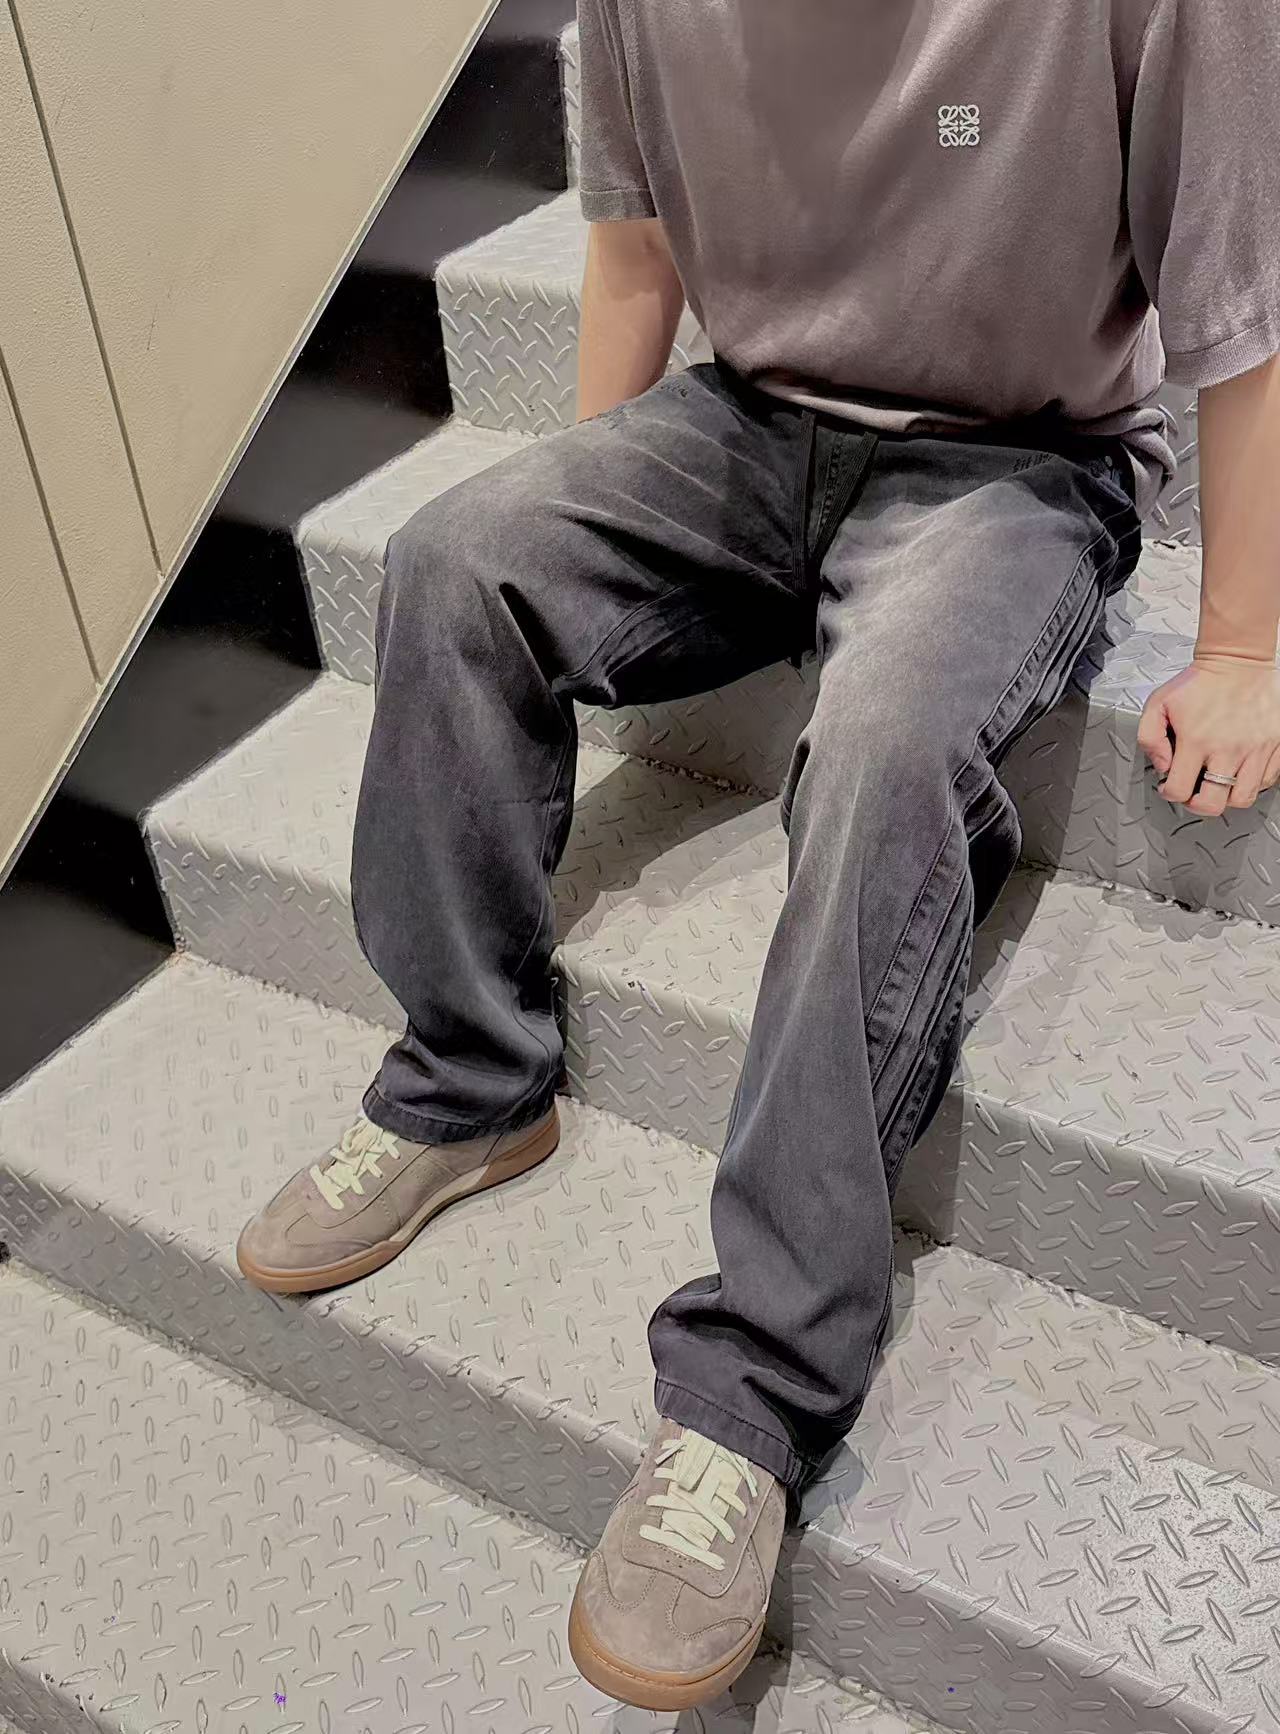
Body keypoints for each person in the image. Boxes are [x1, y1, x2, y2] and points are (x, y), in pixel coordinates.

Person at [236, 0, 1280, 1708]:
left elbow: (1242, 312)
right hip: (743, 426)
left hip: (1017, 463)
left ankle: (756, 1390)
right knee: (455, 561)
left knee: (881, 746)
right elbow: (637, 250)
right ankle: (468, 1082)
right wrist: (597, 518)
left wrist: (1239, 643)